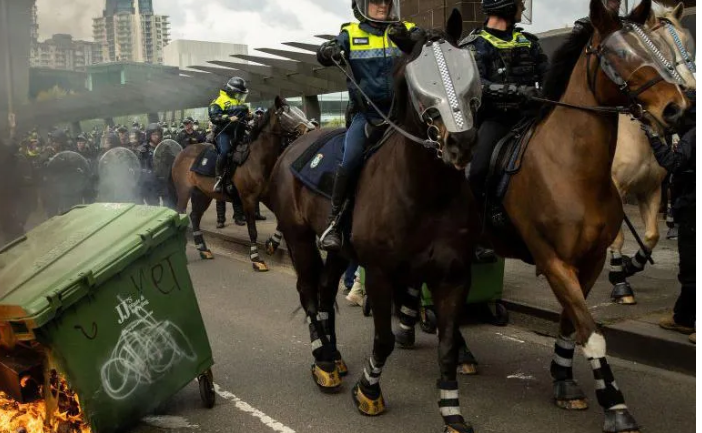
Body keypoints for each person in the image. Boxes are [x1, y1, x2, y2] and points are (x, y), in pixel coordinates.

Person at [316, 0, 420, 251]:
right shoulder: (351, 33)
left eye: (387, 1)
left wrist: (411, 38)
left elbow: (423, 39)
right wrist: (327, 51)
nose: (383, 6)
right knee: (350, 158)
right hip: (368, 115)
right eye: (376, 1)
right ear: (361, 5)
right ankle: (335, 223)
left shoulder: (405, 27)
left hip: (405, 115)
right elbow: (325, 54)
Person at [460, 0, 548, 202]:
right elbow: (477, 85)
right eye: (519, 4)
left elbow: (549, 76)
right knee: (477, 172)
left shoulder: (529, 41)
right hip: (497, 119)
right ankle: (482, 221)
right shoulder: (473, 45)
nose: (523, 8)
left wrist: (546, 91)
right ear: (505, 6)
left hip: (532, 117)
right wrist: (518, 91)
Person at [642, 95, 696, 344]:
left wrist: (653, 138)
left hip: (693, 208)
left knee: (691, 269)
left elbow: (672, 162)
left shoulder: (694, 134)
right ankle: (683, 318)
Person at [209, 76, 251, 193]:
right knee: (225, 151)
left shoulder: (240, 101)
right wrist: (227, 117)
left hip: (240, 132)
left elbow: (246, 113)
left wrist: (249, 116)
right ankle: (219, 177)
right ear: (232, 91)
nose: (241, 96)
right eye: (239, 93)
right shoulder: (218, 101)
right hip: (225, 132)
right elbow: (214, 117)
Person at [137, 123, 164, 205]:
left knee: (169, 205)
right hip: (150, 183)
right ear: (149, 135)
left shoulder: (165, 147)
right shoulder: (143, 150)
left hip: (163, 181)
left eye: (158, 134)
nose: (157, 136)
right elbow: (139, 166)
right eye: (154, 134)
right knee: (154, 206)